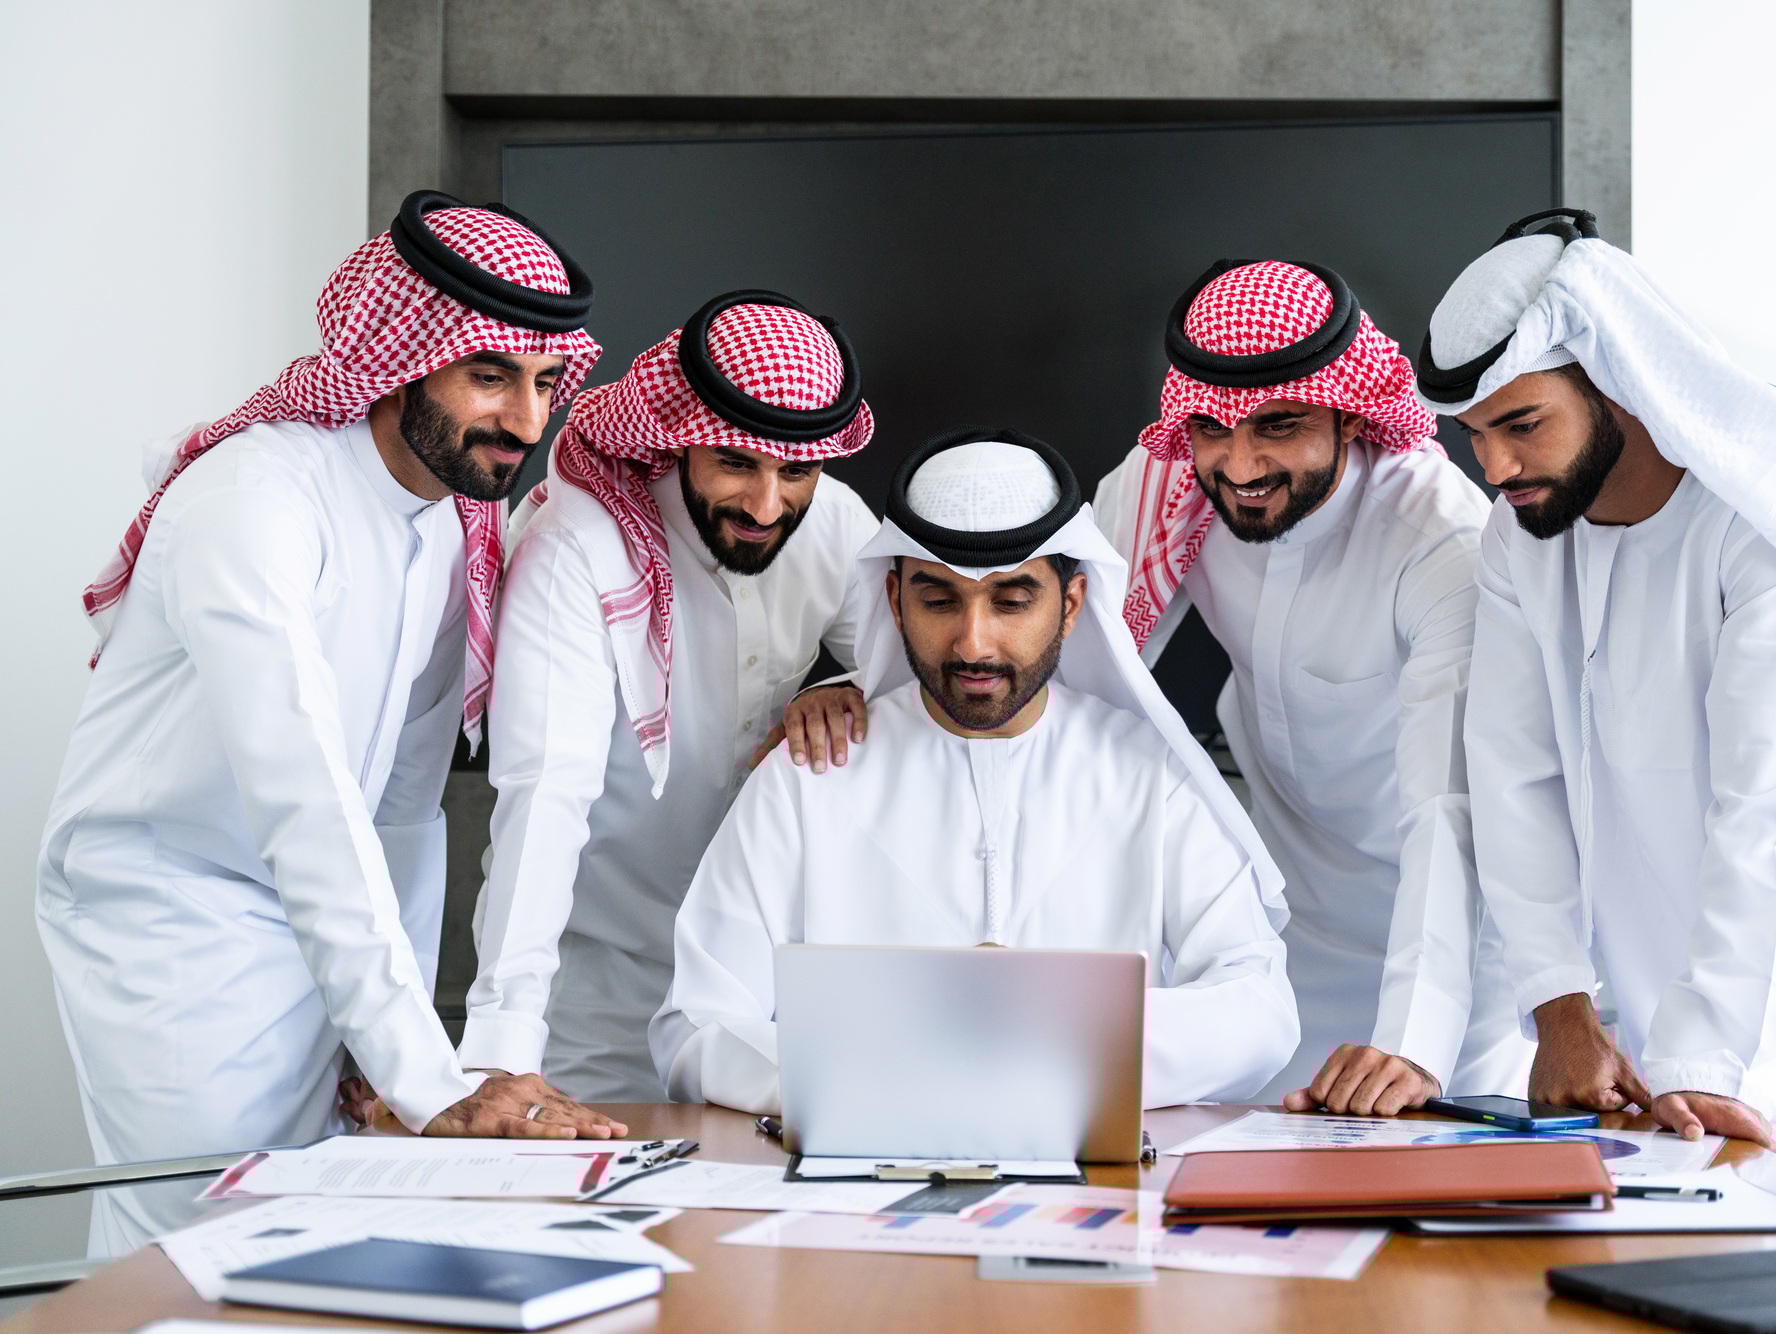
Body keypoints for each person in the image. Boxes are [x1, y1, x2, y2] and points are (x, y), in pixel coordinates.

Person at [37, 192, 624, 1251]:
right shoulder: (251, 502)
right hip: (179, 913)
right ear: (404, 357)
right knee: (204, 1249)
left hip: (329, 926)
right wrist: (423, 1069)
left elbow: (403, 799)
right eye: (490, 375)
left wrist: (390, 1037)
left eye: (544, 383)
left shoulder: (451, 523)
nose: (528, 424)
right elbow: (301, 791)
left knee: (327, 1249)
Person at [1420, 208, 1776, 1243]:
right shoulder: (1527, 539)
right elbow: (1510, 772)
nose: (1495, 470)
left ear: (1617, 384)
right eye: (1474, 436)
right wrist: (1557, 1001)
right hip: (1676, 1049)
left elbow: (1769, 807)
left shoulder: (1761, 525)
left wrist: (1707, 1062)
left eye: (1521, 424)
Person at [651, 430, 1299, 1112]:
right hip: (852, 1189)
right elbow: (697, 1025)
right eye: (938, 600)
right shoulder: (811, 771)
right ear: (895, 599)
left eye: (1012, 601)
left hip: (1094, 1196)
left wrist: (1056, 1043)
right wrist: (876, 1080)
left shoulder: (1148, 775)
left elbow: (1258, 1007)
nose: (973, 641)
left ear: (1071, 605)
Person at [1093, 259, 1533, 1113]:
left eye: (1278, 424)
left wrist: (1415, 1041)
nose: (1240, 461)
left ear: (1348, 410)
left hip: (1450, 947)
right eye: (1213, 428)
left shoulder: (1440, 545)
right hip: (1286, 927)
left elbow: (1452, 804)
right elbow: (1068, 661)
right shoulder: (1178, 482)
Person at [457, 291, 880, 1100]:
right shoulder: (575, 550)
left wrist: (849, 687)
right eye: (737, 463)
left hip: (773, 996)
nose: (766, 504)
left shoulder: (828, 523)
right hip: (597, 997)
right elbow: (545, 796)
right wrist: (503, 1051)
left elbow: (920, 676)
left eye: (796, 470)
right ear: (681, 439)